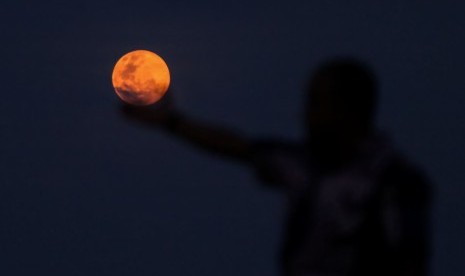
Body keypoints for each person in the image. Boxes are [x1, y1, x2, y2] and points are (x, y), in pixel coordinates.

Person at [121, 58, 431, 276]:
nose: (306, 115)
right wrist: (171, 123)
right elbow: (241, 148)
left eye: (316, 103)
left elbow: (411, 262)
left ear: (348, 109)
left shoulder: (392, 181)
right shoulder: (302, 165)